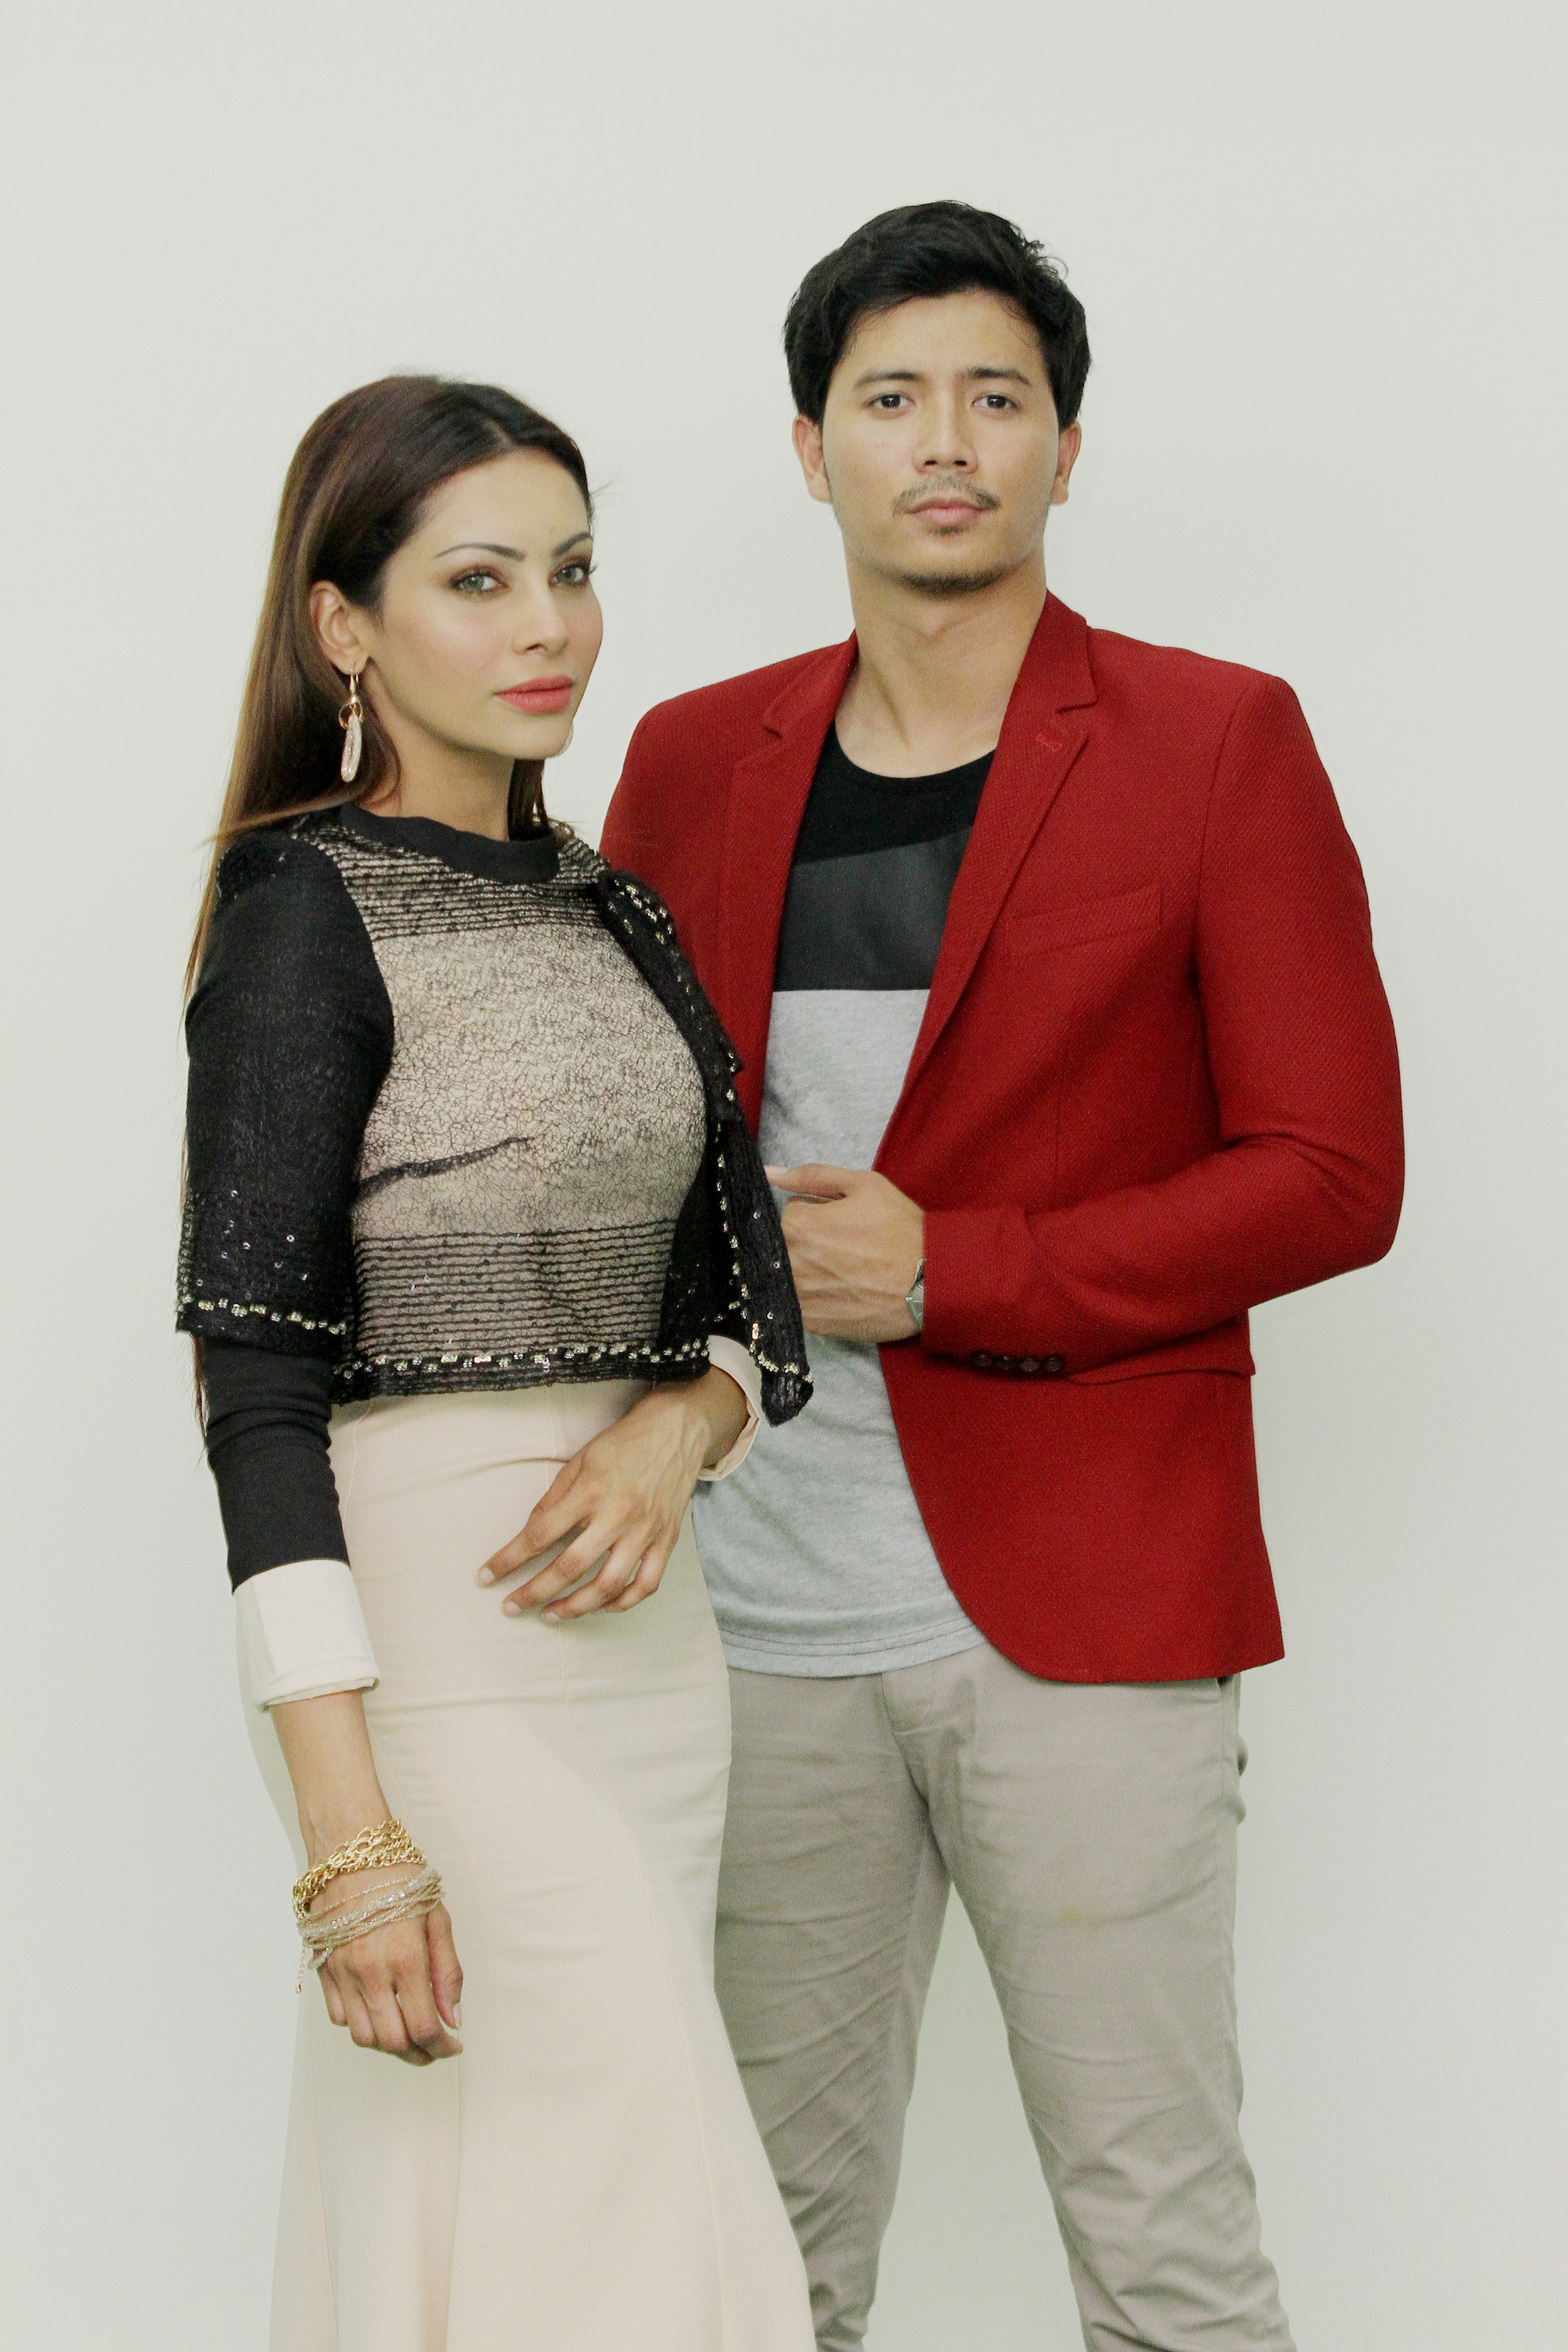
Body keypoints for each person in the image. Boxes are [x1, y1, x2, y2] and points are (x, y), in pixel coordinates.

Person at [600, 201, 1404, 2352]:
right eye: (890, 399)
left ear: (1065, 443)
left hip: (1088, 1615)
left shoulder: (1216, 739)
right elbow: (637, 1148)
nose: (944, 442)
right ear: (811, 449)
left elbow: (1335, 1176)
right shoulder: (690, 757)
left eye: (995, 397)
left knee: (1162, 2253)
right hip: (755, 1614)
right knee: (750, 2262)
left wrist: (963, 1266)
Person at [178, 374, 817, 2352]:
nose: (551, 626)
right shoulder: (302, 909)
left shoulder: (615, 907)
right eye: (479, 580)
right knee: (628, 2212)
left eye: (574, 570)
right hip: (430, 1647)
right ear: (345, 625)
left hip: (649, 1644)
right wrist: (350, 1842)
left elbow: (753, 1289)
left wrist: (679, 1429)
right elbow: (253, 1392)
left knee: (555, 2202)